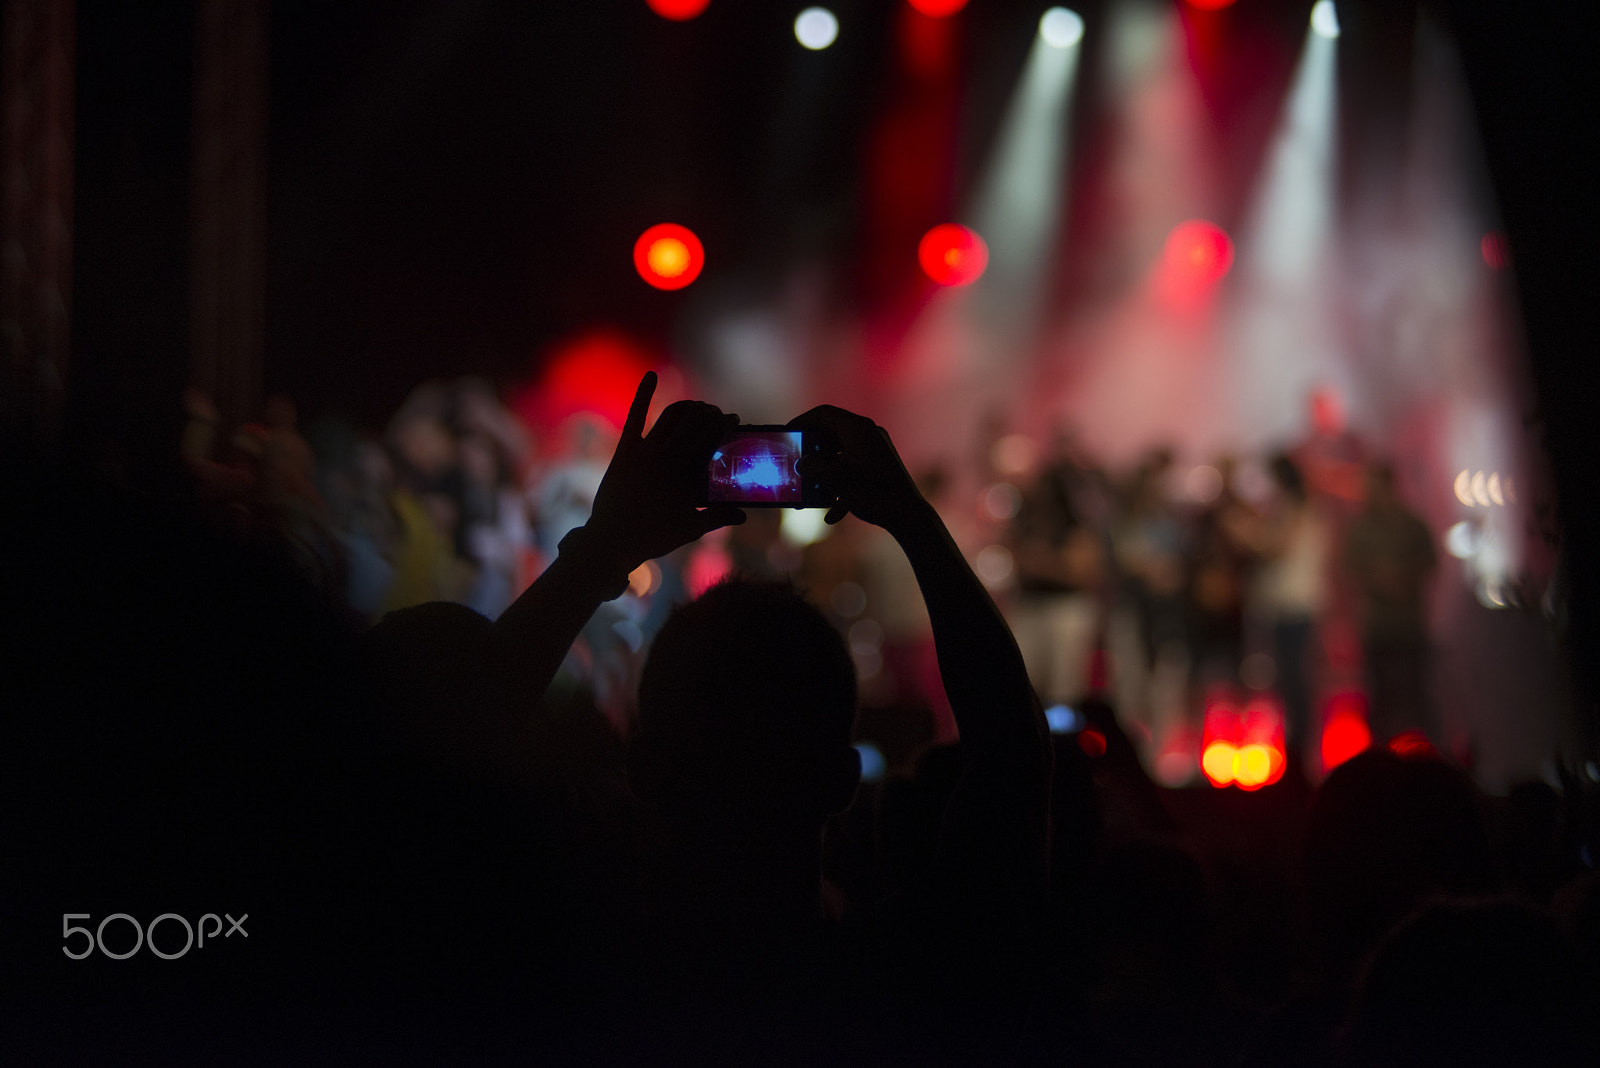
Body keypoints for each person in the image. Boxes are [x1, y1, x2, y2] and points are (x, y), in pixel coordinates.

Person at [492, 373, 1053, 1059]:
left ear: (643, 763)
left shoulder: (559, 975)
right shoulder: (908, 991)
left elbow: (437, 753)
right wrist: (912, 516)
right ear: (842, 783)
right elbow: (1013, 763)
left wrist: (603, 547)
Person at [1343, 459, 1438, 744]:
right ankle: (1382, 756)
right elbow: (1349, 569)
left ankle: (1421, 753)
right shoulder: (1361, 527)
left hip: (1408, 622)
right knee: (1380, 694)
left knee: (1415, 691)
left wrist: (1402, 578)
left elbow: (1429, 562)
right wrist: (1378, 579)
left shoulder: (1411, 524)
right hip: (1377, 624)